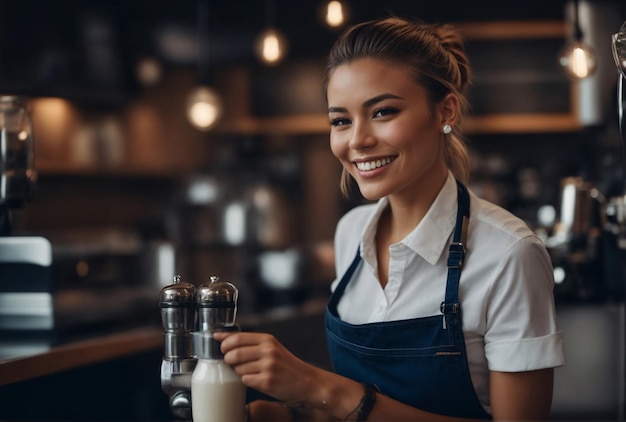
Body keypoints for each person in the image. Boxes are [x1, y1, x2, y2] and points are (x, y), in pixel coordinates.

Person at [214, 16, 565, 421]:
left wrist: (318, 386)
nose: (358, 140)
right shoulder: (350, 234)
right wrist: (279, 416)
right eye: (341, 120)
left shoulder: (508, 254)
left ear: (445, 110)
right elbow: (345, 412)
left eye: (382, 111)